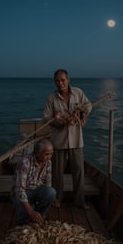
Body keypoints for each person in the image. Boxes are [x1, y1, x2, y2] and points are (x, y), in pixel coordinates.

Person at [44, 69, 92, 209]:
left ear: (68, 79)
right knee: (57, 174)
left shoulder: (78, 92)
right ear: (55, 82)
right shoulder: (51, 98)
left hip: (77, 141)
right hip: (59, 142)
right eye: (57, 81)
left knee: (78, 172)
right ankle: (56, 199)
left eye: (63, 80)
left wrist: (82, 115)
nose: (60, 83)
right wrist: (57, 120)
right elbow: (46, 118)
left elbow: (88, 106)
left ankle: (79, 201)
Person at [11, 138, 56, 224]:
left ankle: (39, 214)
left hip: (37, 190)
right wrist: (30, 212)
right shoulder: (25, 162)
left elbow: (48, 184)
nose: (49, 157)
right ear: (37, 153)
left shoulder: (48, 162)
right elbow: (19, 190)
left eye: (51, 154)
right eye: (46, 154)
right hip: (25, 192)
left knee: (51, 192)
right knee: (23, 219)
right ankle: (31, 212)